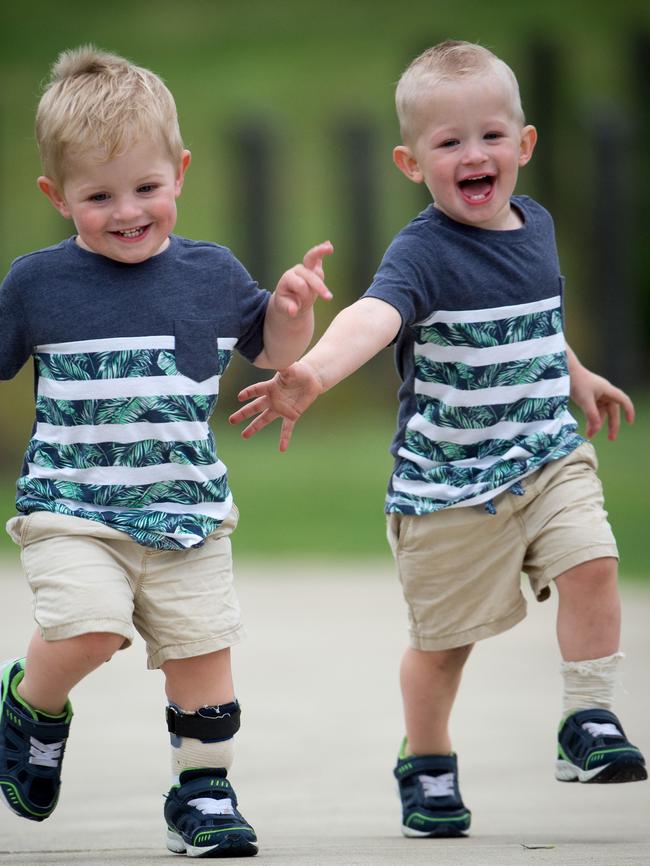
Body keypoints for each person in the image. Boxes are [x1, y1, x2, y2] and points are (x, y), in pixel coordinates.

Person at [229, 40, 647, 838]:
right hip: (446, 488)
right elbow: (371, 319)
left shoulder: (538, 227)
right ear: (411, 163)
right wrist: (311, 374)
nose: (474, 154)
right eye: (448, 143)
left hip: (546, 454)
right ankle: (426, 761)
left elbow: (534, 322)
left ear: (523, 145)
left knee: (595, 560)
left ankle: (587, 720)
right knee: (443, 645)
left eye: (490, 135)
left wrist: (576, 375)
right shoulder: (422, 252)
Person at [0, 45, 333, 858]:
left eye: (147, 188)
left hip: (187, 515)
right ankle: (31, 707)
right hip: (73, 512)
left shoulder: (212, 273)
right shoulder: (37, 284)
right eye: (99, 196)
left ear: (179, 172)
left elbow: (272, 349)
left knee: (203, 671)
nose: (128, 212)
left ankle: (203, 796)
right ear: (57, 196)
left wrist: (293, 308)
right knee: (90, 632)